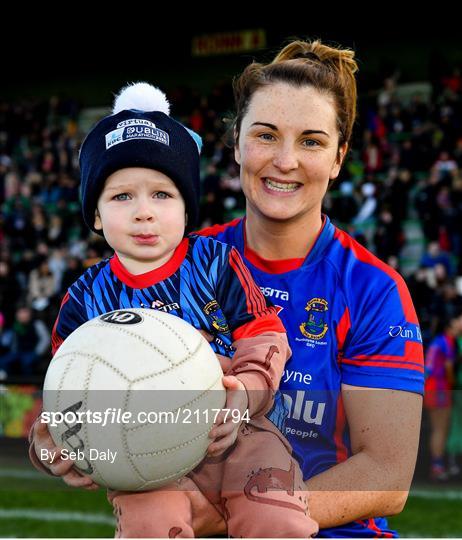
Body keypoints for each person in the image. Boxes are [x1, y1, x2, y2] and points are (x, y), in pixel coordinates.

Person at [28, 83, 317, 538]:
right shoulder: (84, 298)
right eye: (122, 196)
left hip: (239, 438)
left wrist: (246, 391)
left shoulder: (216, 262)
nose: (144, 212)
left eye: (162, 195)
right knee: (151, 524)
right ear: (96, 214)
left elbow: (265, 336)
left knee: (275, 518)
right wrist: (53, 446)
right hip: (144, 458)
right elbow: (66, 394)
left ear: (186, 206)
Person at [196, 39, 425, 537]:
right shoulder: (187, 264)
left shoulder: (373, 289)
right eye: (266, 135)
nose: (285, 160)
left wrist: (246, 514)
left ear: (339, 158)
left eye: (311, 141)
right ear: (237, 142)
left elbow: (387, 475)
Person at [424, 312, 462, 480]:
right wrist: (453, 384)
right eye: (459, 320)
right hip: (439, 389)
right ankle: (437, 467)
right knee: (440, 429)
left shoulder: (440, 341)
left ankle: (437, 466)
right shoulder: (446, 342)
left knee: (438, 429)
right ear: (450, 325)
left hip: (432, 388)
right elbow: (447, 369)